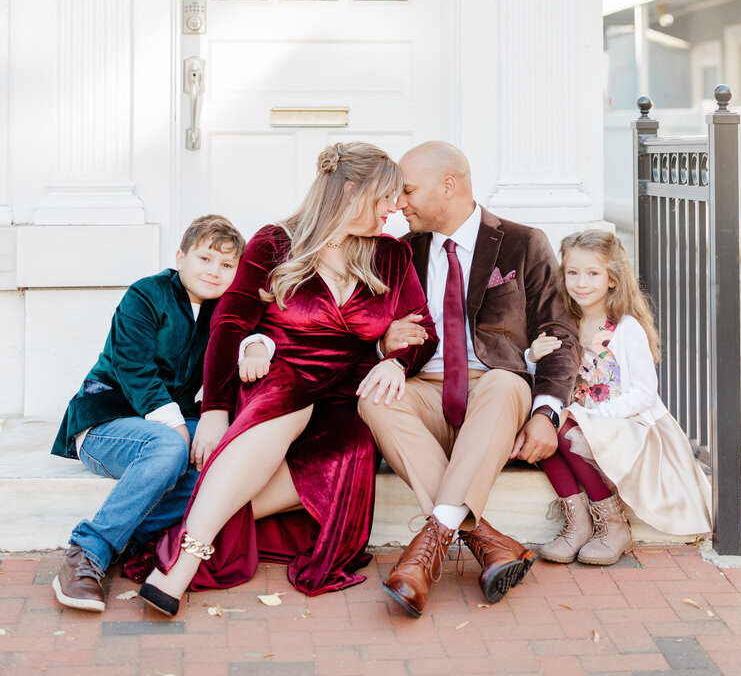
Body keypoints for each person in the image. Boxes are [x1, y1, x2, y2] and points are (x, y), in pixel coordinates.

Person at [136, 141, 438, 614]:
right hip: (275, 378)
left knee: (352, 448)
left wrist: (394, 360)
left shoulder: (391, 256)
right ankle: (182, 564)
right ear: (352, 191)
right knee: (289, 395)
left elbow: (425, 332)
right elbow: (230, 323)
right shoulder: (276, 242)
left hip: (344, 392)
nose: (394, 208)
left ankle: (184, 528)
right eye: (385, 198)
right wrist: (214, 408)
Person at [358, 141, 582, 617]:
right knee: (375, 398)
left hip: (493, 395)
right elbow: (364, 325)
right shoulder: (399, 253)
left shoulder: (524, 242)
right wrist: (383, 347)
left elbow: (559, 332)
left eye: (408, 190)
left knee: (504, 383)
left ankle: (426, 552)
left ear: (448, 186)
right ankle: (485, 540)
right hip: (425, 391)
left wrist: (547, 412)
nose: (399, 202)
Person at [51, 214, 246, 611]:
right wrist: (178, 427)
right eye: (205, 259)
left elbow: (256, 339)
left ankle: (130, 533)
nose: (214, 271)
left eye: (227, 265)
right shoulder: (146, 294)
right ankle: (87, 551)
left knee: (234, 465)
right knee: (169, 447)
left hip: (168, 427)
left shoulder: (224, 312)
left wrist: (259, 345)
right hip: (107, 422)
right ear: (181, 257)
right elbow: (134, 369)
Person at [536, 229, 712, 565]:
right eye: (572, 273)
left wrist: (593, 417)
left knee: (566, 433)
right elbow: (548, 373)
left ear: (613, 279)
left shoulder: (625, 328)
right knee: (542, 430)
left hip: (624, 422)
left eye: (593, 273)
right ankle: (579, 523)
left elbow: (644, 393)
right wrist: (534, 354)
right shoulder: (564, 323)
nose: (581, 283)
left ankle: (614, 525)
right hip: (581, 418)